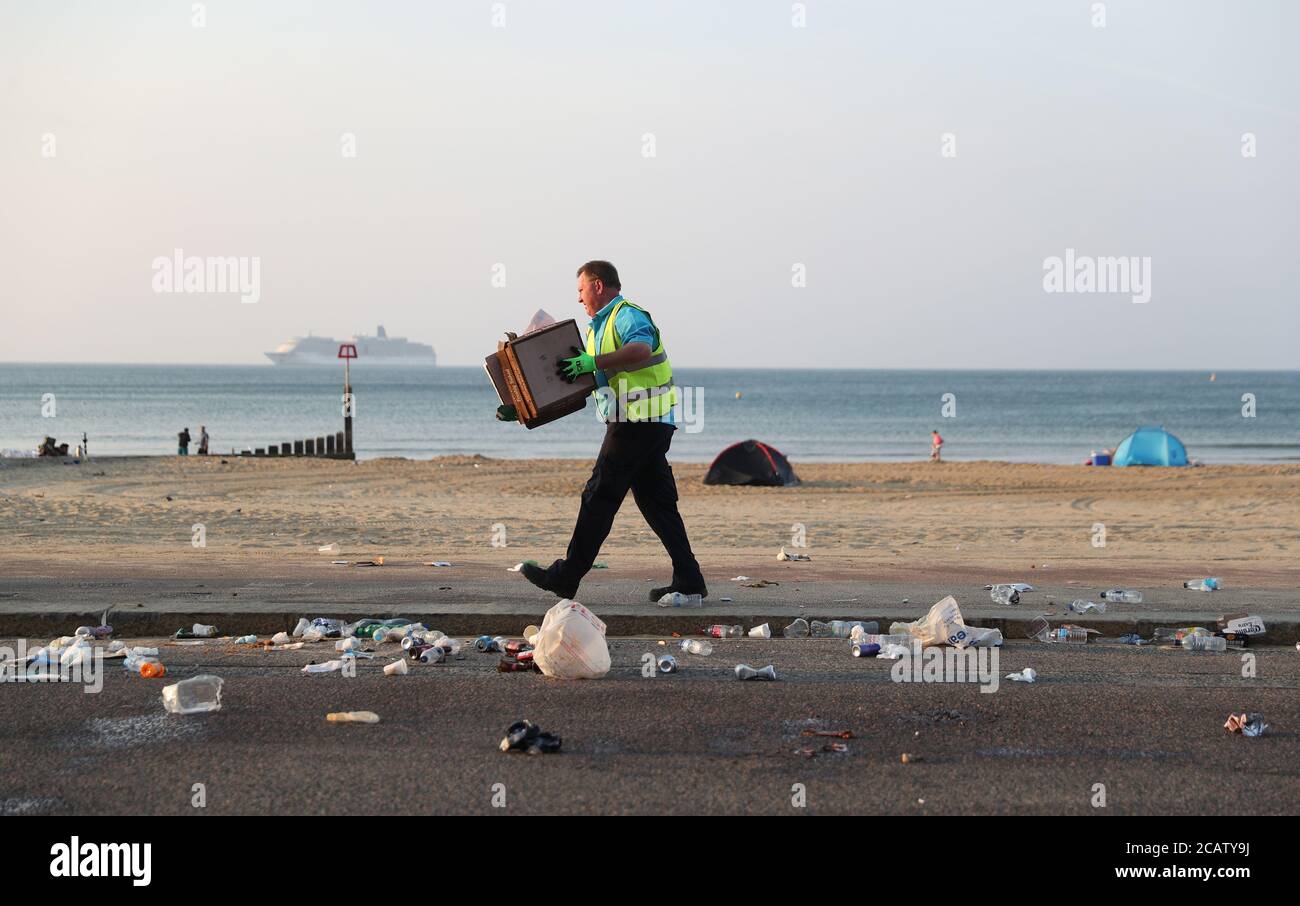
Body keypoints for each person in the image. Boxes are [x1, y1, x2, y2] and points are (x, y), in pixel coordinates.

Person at [499, 260, 706, 603]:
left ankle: (566, 576)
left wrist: (592, 362)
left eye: (580, 289)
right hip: (647, 422)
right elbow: (587, 380)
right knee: (657, 504)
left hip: (638, 421)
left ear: (597, 285)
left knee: (599, 496)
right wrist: (523, 406)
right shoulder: (597, 328)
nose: (579, 298)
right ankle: (689, 577)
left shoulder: (627, 315)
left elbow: (639, 351)